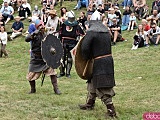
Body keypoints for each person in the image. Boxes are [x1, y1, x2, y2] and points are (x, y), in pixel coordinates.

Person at [79, 10, 116, 118]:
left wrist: (85, 58)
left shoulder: (91, 32)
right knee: (92, 81)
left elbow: (85, 47)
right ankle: (90, 103)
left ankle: (111, 110)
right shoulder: (105, 30)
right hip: (108, 60)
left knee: (103, 86)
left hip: (99, 62)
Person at [25, 19, 61, 95]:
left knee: (52, 73)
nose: (41, 27)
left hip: (45, 58)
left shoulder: (45, 34)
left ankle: (56, 89)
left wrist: (52, 49)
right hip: (36, 58)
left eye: (42, 25)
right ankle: (33, 89)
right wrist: (33, 33)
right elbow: (27, 39)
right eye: (40, 26)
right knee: (30, 75)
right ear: (37, 27)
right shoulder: (34, 35)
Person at [58, 11, 84, 78]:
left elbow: (81, 34)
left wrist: (78, 38)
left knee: (69, 59)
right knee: (61, 59)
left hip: (72, 43)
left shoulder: (76, 25)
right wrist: (59, 41)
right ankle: (61, 72)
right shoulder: (63, 24)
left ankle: (68, 73)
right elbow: (59, 33)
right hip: (64, 42)